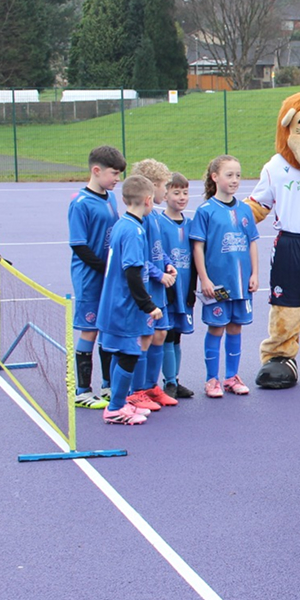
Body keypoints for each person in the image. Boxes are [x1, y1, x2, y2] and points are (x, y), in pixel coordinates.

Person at [190, 155, 260, 398]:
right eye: (229, 175)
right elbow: (198, 247)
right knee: (216, 328)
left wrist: (255, 274)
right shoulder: (206, 211)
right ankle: (212, 379)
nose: (235, 180)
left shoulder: (244, 210)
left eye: (238, 175)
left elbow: (252, 243)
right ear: (215, 177)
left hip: (240, 284)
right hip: (218, 284)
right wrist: (205, 279)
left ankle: (231, 376)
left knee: (235, 327)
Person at [97, 175, 164, 426]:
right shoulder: (134, 231)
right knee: (129, 353)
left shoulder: (122, 225)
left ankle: (119, 401)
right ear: (148, 200)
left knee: (119, 352)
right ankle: (115, 408)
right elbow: (133, 272)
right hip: (124, 306)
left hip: (114, 303)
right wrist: (148, 305)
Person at [69, 145, 125, 409]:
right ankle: (82, 390)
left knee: (106, 329)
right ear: (96, 170)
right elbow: (79, 246)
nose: (117, 179)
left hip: (108, 278)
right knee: (89, 330)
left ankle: (107, 385)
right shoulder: (80, 204)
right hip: (90, 278)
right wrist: (106, 268)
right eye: (114, 173)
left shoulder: (110, 198)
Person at [127, 159, 180, 411]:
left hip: (160, 288)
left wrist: (168, 264)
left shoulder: (156, 217)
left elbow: (159, 250)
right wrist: (160, 275)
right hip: (150, 288)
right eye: (162, 186)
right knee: (145, 338)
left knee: (160, 334)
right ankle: (136, 390)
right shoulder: (141, 220)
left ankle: (151, 386)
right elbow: (141, 259)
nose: (165, 191)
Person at [156, 172, 196, 399]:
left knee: (178, 334)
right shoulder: (160, 223)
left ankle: (175, 379)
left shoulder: (191, 224)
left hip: (184, 290)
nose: (181, 197)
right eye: (176, 192)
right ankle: (168, 381)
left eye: (185, 192)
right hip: (167, 289)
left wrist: (192, 288)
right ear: (166, 193)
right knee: (167, 334)